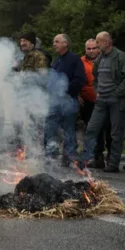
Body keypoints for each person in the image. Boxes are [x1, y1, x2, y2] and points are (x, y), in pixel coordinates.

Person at [80, 32, 125, 173]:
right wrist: (98, 90)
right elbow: (95, 76)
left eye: (98, 43)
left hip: (117, 100)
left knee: (116, 133)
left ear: (106, 42)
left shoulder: (120, 57)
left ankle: (114, 163)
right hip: (101, 100)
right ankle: (86, 159)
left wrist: (117, 93)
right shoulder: (100, 59)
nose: (96, 46)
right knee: (92, 128)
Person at [44, 34, 86, 166]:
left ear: (65, 44)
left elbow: (80, 80)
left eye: (57, 42)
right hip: (54, 102)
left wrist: (65, 91)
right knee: (51, 128)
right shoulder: (56, 61)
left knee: (69, 130)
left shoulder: (74, 59)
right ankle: (51, 156)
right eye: (54, 42)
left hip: (69, 101)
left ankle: (70, 158)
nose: (54, 44)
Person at [79, 39, 111, 168]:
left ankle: (111, 156)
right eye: (89, 48)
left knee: (109, 129)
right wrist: (77, 95)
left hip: (106, 100)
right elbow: (76, 78)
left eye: (94, 48)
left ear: (99, 49)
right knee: (92, 130)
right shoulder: (81, 62)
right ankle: (97, 156)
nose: (91, 51)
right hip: (88, 101)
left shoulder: (106, 59)